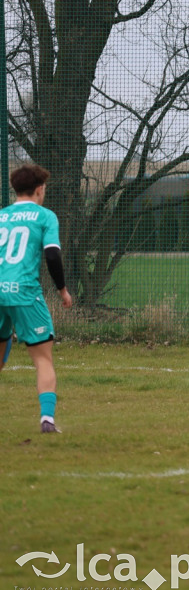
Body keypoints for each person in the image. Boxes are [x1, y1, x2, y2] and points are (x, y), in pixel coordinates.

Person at [0, 165, 74, 433]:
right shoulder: (45, 216)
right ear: (40, 189)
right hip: (24, 292)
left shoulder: (1, 216)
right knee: (42, 359)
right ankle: (47, 419)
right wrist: (62, 290)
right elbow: (52, 255)